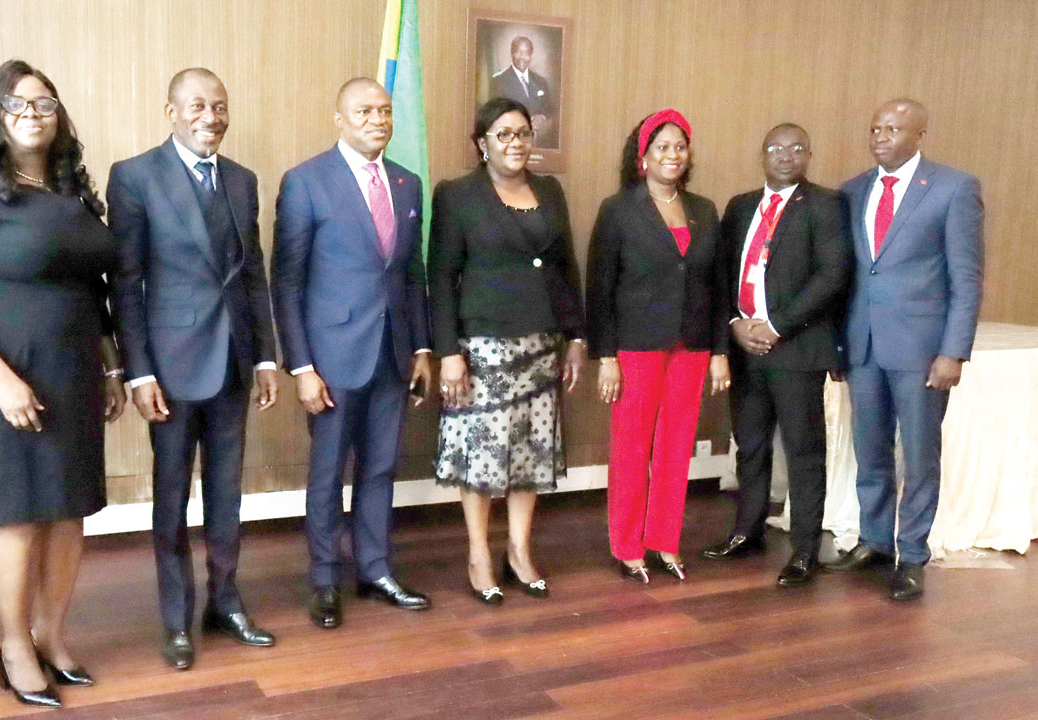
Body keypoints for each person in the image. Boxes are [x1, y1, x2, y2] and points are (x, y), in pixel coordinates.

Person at [0, 59, 125, 709]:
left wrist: (111, 365)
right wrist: (0, 377)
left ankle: (52, 637)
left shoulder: (73, 192)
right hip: (1, 378)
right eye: (17, 104)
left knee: (68, 512)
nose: (32, 114)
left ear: (59, 114)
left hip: (73, 373)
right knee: (21, 514)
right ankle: (14, 647)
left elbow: (93, 291)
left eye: (44, 103)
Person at [107, 68, 279, 670]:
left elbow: (252, 273)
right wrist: (138, 372)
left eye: (220, 106)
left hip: (233, 361)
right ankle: (176, 619)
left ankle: (225, 603)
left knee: (227, 495)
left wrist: (265, 354)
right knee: (173, 496)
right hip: (170, 368)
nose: (211, 117)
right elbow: (125, 283)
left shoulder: (242, 179)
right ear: (172, 111)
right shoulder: (135, 176)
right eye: (198, 105)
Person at [272, 77, 433, 629]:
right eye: (363, 111)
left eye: (384, 111)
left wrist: (422, 347)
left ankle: (375, 569)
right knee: (328, 472)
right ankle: (324, 579)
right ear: (339, 119)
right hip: (331, 358)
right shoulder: (306, 181)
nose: (377, 120)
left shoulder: (408, 183)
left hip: (392, 352)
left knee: (381, 467)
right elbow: (287, 281)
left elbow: (411, 274)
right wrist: (301, 366)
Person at [428, 97, 587, 606]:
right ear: (482, 143)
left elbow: (565, 267)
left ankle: (518, 551)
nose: (515, 143)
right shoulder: (457, 195)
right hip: (483, 347)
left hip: (542, 343)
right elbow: (441, 277)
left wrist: (577, 337)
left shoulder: (550, 190)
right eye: (503, 134)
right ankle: (479, 555)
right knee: (482, 455)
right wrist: (448, 352)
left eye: (522, 133)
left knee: (531, 453)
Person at [824, 99, 983, 601]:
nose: (880, 137)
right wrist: (839, 344)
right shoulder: (852, 190)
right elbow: (848, 275)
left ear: (920, 135)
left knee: (918, 456)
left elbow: (966, 278)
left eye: (893, 129)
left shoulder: (954, 188)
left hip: (922, 352)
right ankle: (874, 541)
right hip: (863, 345)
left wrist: (954, 351)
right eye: (875, 128)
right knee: (869, 450)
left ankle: (912, 555)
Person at [701, 124, 852, 587]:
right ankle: (747, 531)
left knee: (804, 451)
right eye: (775, 148)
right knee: (750, 444)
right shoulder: (740, 206)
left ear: (809, 155)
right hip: (745, 348)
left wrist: (777, 325)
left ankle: (805, 549)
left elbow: (831, 276)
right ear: (762, 155)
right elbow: (722, 273)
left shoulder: (825, 204)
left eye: (796, 148)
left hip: (796, 348)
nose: (785, 155)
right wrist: (734, 324)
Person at [585, 109, 730, 584]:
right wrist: (606, 356)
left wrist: (720, 351)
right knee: (631, 449)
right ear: (643, 156)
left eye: (680, 147)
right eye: (662, 147)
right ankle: (628, 546)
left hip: (692, 347)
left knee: (675, 448)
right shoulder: (618, 209)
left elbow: (718, 286)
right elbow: (600, 287)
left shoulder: (704, 209)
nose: (673, 154)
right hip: (636, 346)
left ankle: (664, 540)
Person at [488, 36, 555, 147]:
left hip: (538, 144)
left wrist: (542, 117)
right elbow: (495, 114)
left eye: (526, 53)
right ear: (512, 53)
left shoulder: (541, 81)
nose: (522, 57)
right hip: (511, 143)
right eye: (518, 52)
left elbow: (549, 109)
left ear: (531, 55)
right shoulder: (498, 81)